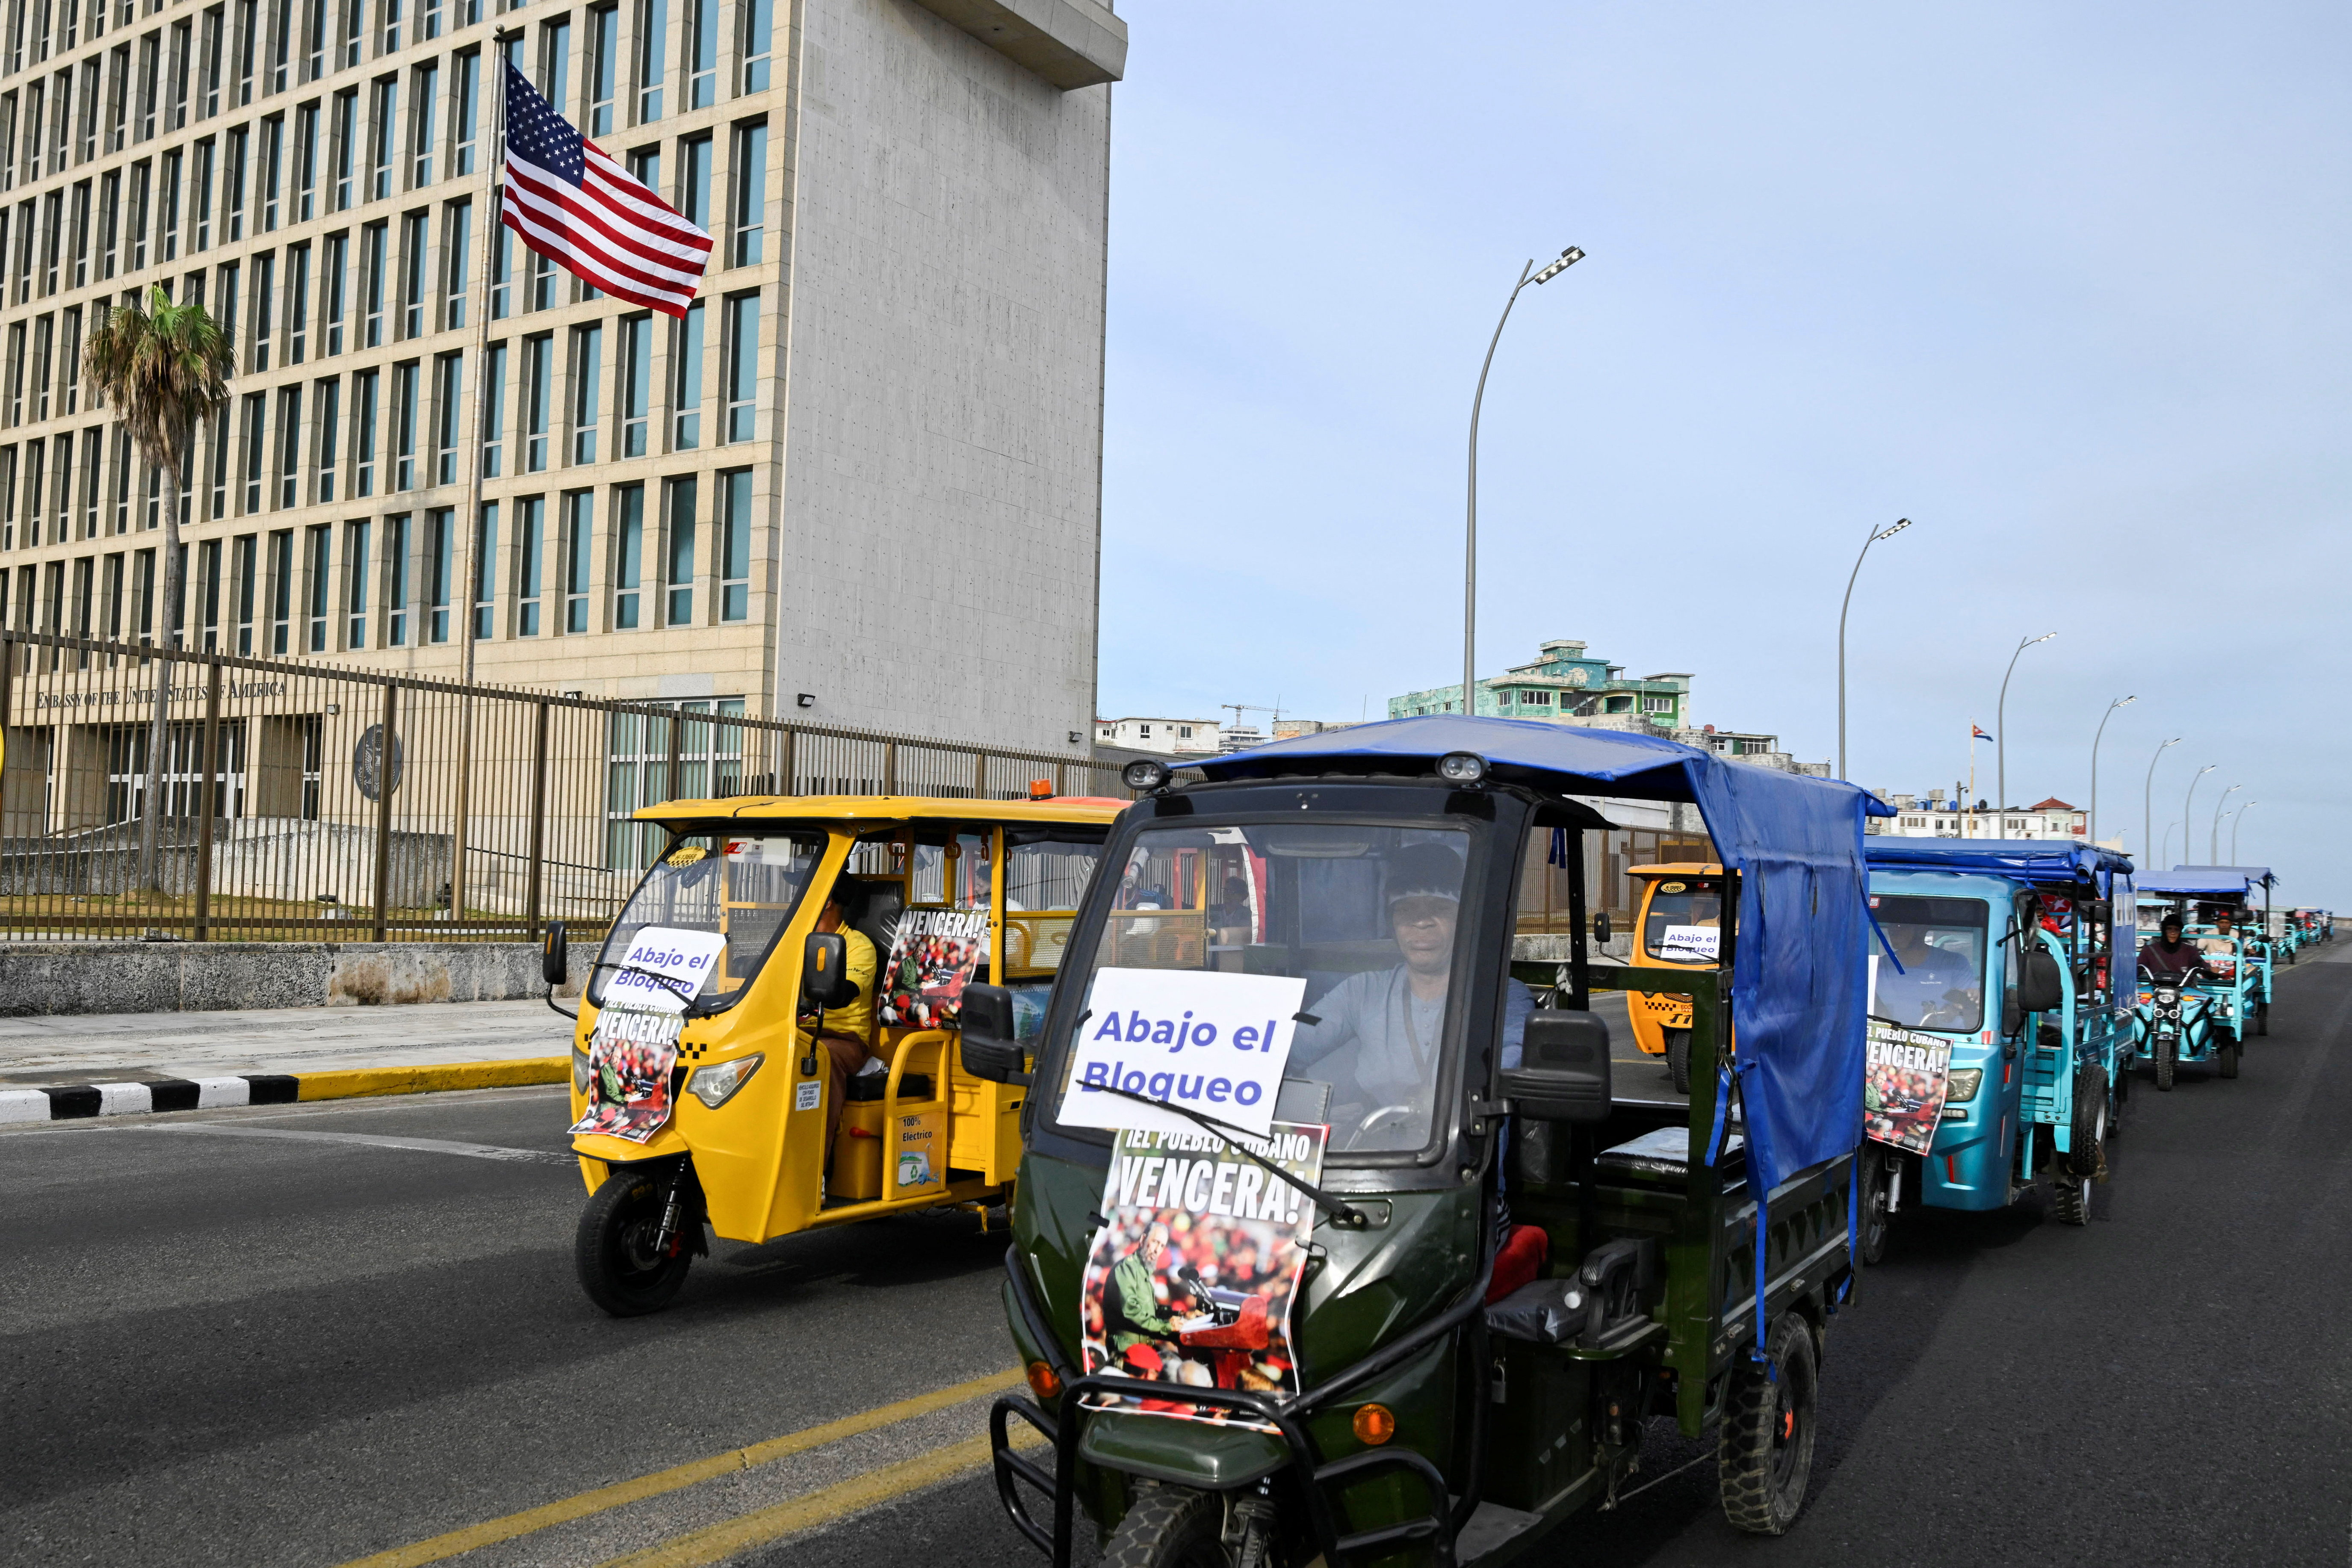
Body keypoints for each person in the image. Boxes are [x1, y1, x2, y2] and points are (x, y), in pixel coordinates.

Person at [1287, 841, 1533, 1151]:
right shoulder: (1362, 991)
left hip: (1464, 1165)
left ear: (1465, 919)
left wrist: (1455, 1093)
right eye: (1406, 911)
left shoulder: (1501, 995)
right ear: (1393, 922)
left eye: (1439, 909)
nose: (1421, 922)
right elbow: (1299, 1036)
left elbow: (1509, 1063)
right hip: (1378, 1162)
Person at [806, 886, 879, 1162]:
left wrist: (813, 998)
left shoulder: (859, 946)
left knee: (819, 1057)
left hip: (843, 1039)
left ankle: (815, 1169)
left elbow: (844, 993)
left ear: (826, 902)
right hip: (795, 1031)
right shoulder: (794, 940)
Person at [1875, 920, 1982, 1030]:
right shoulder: (1880, 967)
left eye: (1900, 925)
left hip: (1947, 1038)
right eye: (1891, 926)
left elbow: (1967, 1001)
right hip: (1891, 1040)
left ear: (1923, 928)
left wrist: (1957, 1008)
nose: (1893, 931)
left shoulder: (1954, 962)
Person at [2138, 914, 2208, 983]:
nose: (2173, 933)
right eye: (2169, 929)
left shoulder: (2190, 950)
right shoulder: (2149, 950)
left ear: (2180, 932)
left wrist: (2210, 971)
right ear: (2164, 930)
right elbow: (2138, 967)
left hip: (2184, 991)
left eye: (2176, 930)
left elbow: (2202, 965)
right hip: (2156, 990)